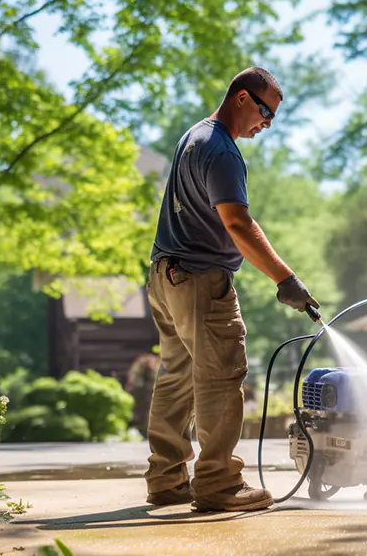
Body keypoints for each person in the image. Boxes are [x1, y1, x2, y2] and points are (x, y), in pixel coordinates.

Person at [144, 67, 320, 512]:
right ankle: (219, 483)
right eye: (265, 111)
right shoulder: (222, 151)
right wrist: (286, 279)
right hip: (201, 281)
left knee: (176, 377)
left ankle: (166, 480)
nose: (266, 123)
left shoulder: (193, 137)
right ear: (242, 98)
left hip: (165, 276)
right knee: (222, 377)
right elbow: (237, 222)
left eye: (272, 117)